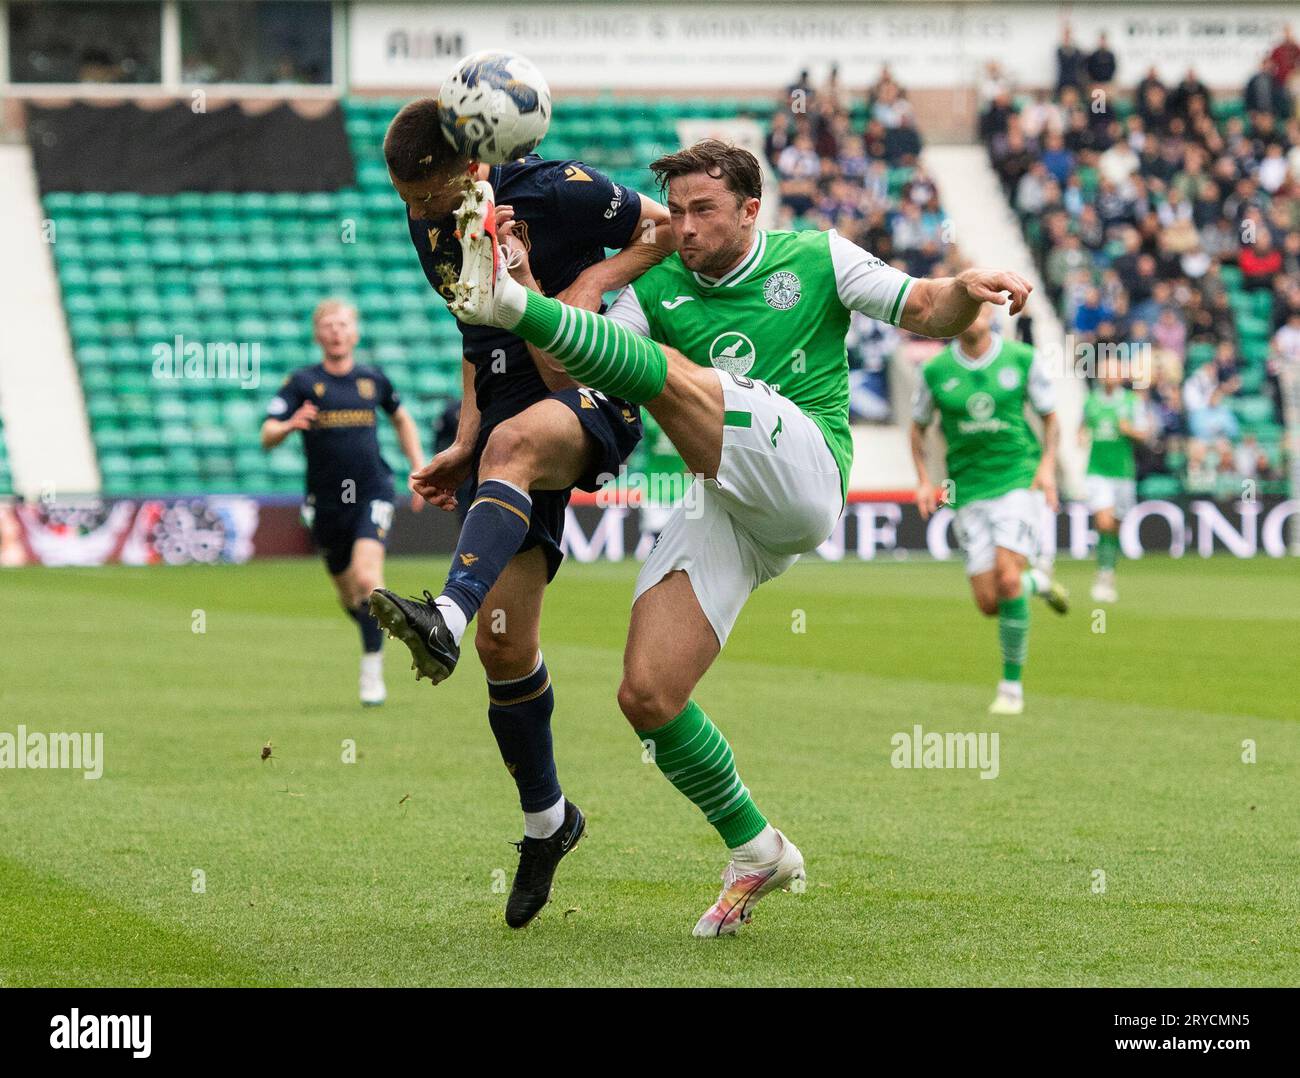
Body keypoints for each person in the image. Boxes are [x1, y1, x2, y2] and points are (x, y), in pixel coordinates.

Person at [444, 138, 1037, 936]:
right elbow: (567, 376)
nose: (682, 227)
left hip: (807, 472)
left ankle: (512, 308)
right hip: (725, 493)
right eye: (676, 211)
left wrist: (968, 288)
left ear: (750, 210)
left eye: (703, 211)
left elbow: (926, 307)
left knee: (687, 378)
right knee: (647, 693)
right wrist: (522, 279)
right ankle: (757, 847)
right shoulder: (653, 283)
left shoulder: (818, 257)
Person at [367, 97, 672, 929]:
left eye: (427, 198)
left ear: (470, 165)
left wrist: (572, 289)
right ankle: (549, 821)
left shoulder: (556, 190)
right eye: (406, 200)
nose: (418, 215)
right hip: (505, 401)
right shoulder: (430, 224)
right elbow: (475, 332)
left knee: (515, 453)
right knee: (508, 647)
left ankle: (444, 613)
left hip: (590, 369)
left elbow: (664, 228)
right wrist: (465, 438)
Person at [261, 300, 424, 706]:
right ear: (318, 334)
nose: (336, 331)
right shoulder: (301, 383)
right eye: (328, 325)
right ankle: (375, 629)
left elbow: (401, 418)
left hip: (373, 491)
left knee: (369, 580)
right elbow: (266, 434)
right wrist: (289, 426)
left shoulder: (373, 380)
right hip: (326, 502)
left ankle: (372, 671)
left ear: (355, 332)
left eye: (344, 324)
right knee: (351, 596)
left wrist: (418, 467)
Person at [911, 305, 1068, 716]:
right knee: (989, 602)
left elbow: (1051, 418)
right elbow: (918, 426)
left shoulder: (1022, 358)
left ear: (991, 315)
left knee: (1007, 577)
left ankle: (1011, 688)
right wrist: (925, 481)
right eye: (964, 307)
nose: (973, 314)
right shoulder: (935, 371)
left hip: (1018, 479)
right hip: (967, 488)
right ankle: (1040, 583)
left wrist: (1047, 467)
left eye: (979, 307)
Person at [1081, 357, 1148, 603]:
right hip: (1097, 471)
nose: (1109, 376)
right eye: (1105, 371)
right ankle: (1104, 574)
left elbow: (1145, 433)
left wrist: (1129, 430)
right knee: (1104, 521)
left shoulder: (1132, 402)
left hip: (1123, 473)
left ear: (1121, 376)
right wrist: (1081, 436)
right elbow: (1083, 425)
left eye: (1113, 372)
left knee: (1115, 525)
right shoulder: (1090, 402)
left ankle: (1108, 567)